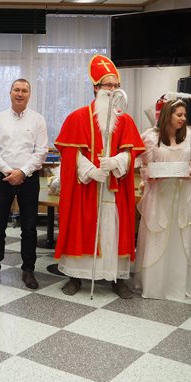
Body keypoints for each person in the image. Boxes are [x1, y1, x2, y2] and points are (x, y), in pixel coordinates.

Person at [54, 55, 144, 298]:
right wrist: (90, 171)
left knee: (113, 229)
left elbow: (131, 153)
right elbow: (70, 153)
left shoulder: (125, 120)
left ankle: (116, 278)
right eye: (107, 85)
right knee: (81, 227)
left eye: (116, 85)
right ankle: (76, 276)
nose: (112, 90)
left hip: (113, 189)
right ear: (95, 87)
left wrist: (116, 162)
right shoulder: (77, 117)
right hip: (85, 188)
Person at [134, 96, 191, 300]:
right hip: (159, 194)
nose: (183, 119)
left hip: (182, 193)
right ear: (167, 116)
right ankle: (154, 285)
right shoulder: (151, 137)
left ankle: (177, 284)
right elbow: (145, 166)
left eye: (184, 115)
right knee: (158, 234)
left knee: (180, 237)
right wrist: (150, 176)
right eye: (179, 115)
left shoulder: (190, 136)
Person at [0, 79, 48, 289]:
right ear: (10, 92)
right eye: (16, 90)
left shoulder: (38, 120)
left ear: (29, 94)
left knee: (29, 227)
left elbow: (41, 151)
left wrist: (23, 172)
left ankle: (28, 270)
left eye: (24, 90)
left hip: (29, 178)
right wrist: (8, 171)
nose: (20, 94)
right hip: (2, 177)